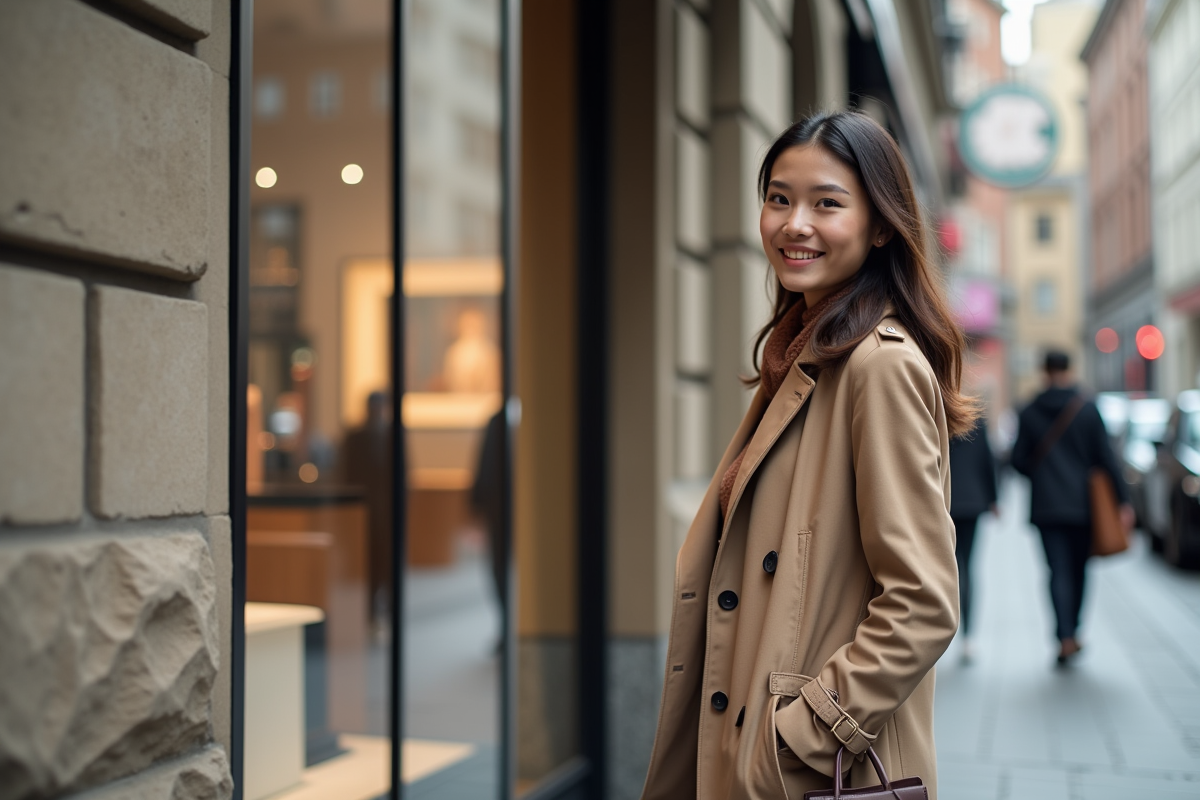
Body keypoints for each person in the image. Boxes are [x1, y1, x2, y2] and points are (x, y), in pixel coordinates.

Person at [640, 111, 972, 800]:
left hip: (810, 773)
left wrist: (799, 737)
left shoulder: (877, 368)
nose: (795, 224)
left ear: (881, 224)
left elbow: (923, 600)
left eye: (827, 203)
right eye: (779, 198)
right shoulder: (800, 357)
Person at [1010, 350, 1133, 666]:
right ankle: (1074, 633)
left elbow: (1018, 461)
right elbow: (1106, 459)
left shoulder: (1029, 411)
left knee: (1056, 571)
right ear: (1069, 369)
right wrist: (1123, 502)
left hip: (1047, 506)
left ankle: (1063, 636)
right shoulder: (1087, 408)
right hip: (1084, 505)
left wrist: (1043, 473)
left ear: (1043, 370)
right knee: (1079, 570)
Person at [948, 416, 998, 663]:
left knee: (948, 569)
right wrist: (994, 498)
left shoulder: (937, 412)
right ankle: (968, 638)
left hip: (943, 503)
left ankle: (945, 633)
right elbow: (987, 461)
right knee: (967, 566)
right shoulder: (976, 420)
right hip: (973, 502)